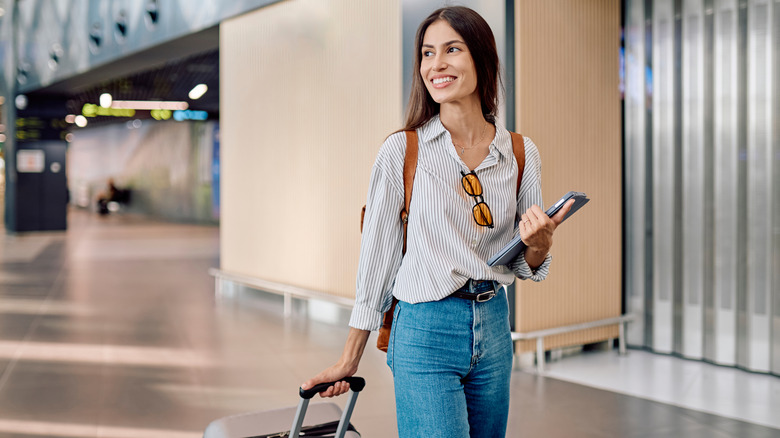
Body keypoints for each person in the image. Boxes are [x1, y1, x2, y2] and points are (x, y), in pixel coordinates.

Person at [302, 6, 573, 437]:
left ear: (482, 59)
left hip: (494, 325)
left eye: (452, 49)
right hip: (424, 328)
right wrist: (350, 355)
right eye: (427, 53)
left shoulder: (521, 153)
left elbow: (527, 263)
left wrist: (541, 243)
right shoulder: (402, 152)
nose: (436, 64)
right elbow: (376, 260)